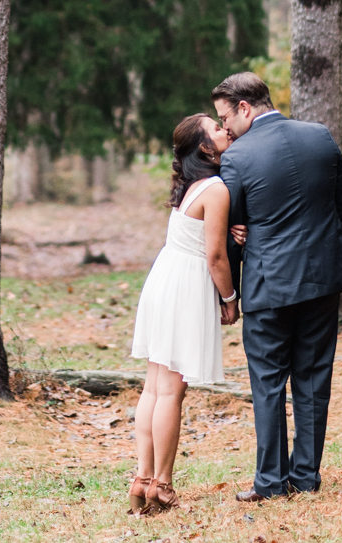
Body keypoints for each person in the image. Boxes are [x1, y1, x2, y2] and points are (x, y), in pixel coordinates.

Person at [213, 71, 342, 502]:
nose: (224, 128)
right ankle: (307, 477)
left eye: (226, 118)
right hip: (322, 276)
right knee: (314, 377)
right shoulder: (320, 136)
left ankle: (272, 483)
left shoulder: (238, 158)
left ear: (245, 107)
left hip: (268, 284)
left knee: (269, 382)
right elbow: (340, 210)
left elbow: (230, 230)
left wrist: (233, 286)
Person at [129, 113, 245, 516]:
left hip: (164, 280)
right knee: (172, 391)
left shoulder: (192, 187)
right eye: (215, 127)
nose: (223, 129)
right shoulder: (215, 189)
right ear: (204, 147)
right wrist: (230, 298)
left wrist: (232, 230)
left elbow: (205, 236)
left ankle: (142, 478)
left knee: (155, 387)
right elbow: (213, 256)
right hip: (184, 288)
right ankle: (162, 484)